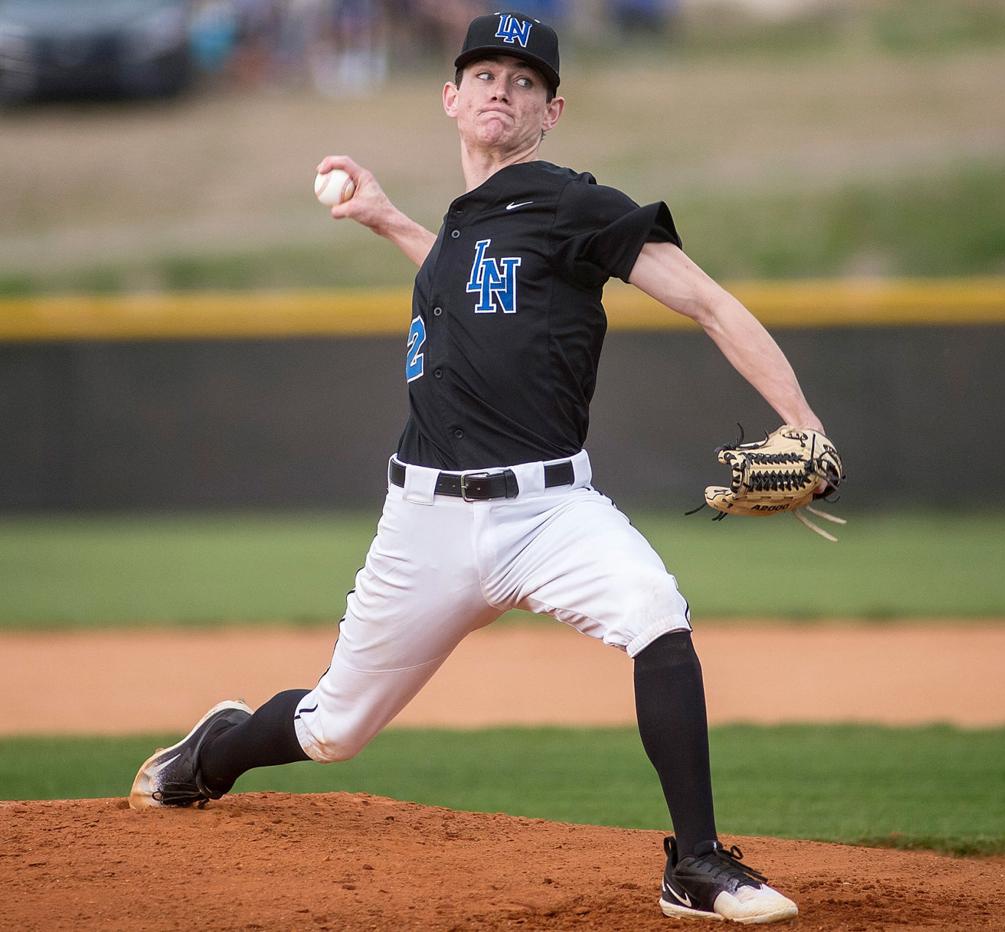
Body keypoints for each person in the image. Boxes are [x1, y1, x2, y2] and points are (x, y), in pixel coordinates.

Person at [130, 10, 831, 924]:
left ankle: (692, 863)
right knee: (334, 730)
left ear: (553, 111)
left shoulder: (576, 205)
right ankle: (212, 752)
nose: (504, 88)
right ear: (451, 98)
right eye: (486, 75)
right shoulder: (464, 227)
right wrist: (387, 219)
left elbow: (707, 302)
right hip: (424, 522)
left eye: (526, 80)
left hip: (550, 514)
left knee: (655, 610)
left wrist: (803, 420)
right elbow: (465, 281)